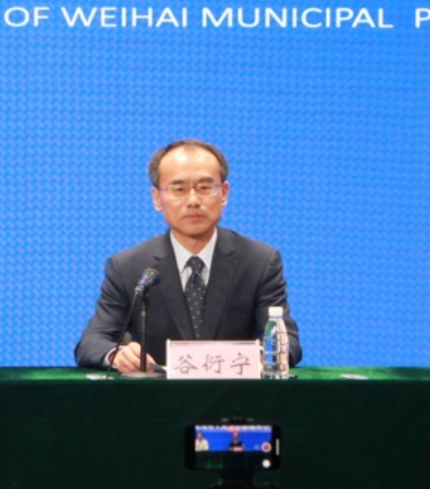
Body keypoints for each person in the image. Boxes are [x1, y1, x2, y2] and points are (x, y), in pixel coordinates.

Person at [75, 139, 301, 373]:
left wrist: (262, 357)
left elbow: (289, 343)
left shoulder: (259, 262)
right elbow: (92, 342)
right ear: (157, 198)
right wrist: (118, 355)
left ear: (224, 193)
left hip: (234, 394)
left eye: (205, 188)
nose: (193, 201)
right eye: (179, 189)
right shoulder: (129, 267)